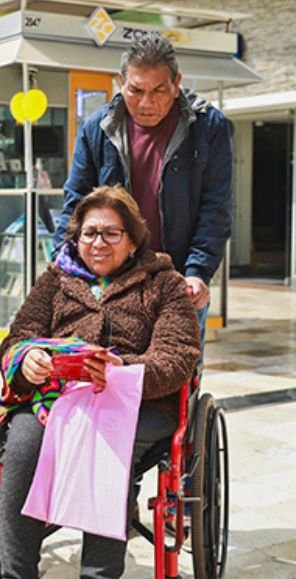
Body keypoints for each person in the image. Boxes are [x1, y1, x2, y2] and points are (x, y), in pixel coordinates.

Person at [0, 186, 201, 579]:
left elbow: (177, 357)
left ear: (133, 239)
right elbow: (17, 337)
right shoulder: (56, 278)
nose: (97, 243)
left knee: (106, 447)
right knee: (23, 445)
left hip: (136, 403)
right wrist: (27, 358)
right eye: (89, 233)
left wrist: (124, 370)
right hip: (57, 400)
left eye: (110, 234)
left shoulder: (164, 284)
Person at [53, 30, 232, 345]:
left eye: (159, 90)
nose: (147, 103)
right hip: (112, 282)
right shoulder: (98, 128)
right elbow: (76, 205)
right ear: (120, 82)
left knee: (174, 381)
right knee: (107, 378)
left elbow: (215, 208)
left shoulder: (207, 127)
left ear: (177, 83)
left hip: (178, 282)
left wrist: (197, 271)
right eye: (136, 90)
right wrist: (60, 267)